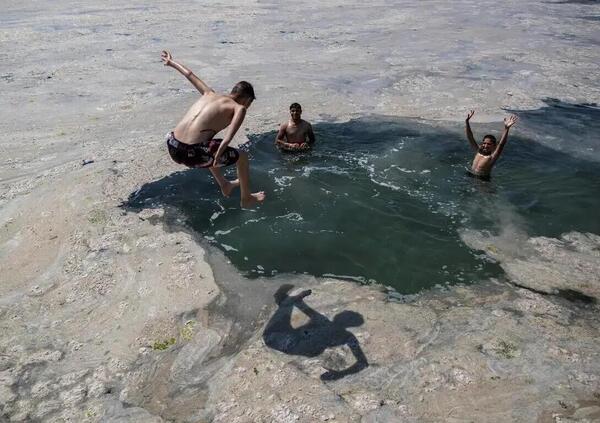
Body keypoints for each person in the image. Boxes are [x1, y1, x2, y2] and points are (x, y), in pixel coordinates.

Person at [161, 50, 265, 208]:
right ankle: (246, 198)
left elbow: (189, 74)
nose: (248, 107)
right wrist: (219, 153)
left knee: (208, 142)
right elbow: (229, 137)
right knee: (242, 157)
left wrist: (171, 62)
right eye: (250, 103)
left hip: (173, 145)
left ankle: (224, 184)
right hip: (191, 154)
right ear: (247, 99)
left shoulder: (208, 93)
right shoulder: (239, 108)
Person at [263, 284, 368, 381]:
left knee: (289, 306)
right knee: (294, 311)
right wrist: (340, 374)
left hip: (278, 339)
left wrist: (295, 300)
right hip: (301, 346)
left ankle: (281, 300)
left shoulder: (324, 322)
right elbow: (362, 362)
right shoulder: (347, 336)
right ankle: (282, 300)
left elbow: (363, 363)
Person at [465, 110, 519, 179]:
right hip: (470, 175)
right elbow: (470, 137)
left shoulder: (492, 157)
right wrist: (467, 122)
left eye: (489, 144)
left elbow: (501, 144)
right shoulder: (478, 151)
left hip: (482, 180)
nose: (485, 145)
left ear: (494, 146)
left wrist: (506, 129)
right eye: (484, 143)